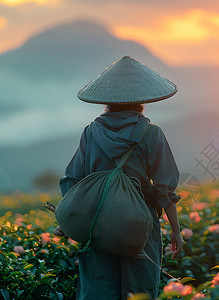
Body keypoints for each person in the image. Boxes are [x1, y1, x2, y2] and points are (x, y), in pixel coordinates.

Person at [57, 56, 184, 299]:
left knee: (98, 290)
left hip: (97, 225)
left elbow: (72, 179)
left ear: (105, 102)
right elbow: (165, 189)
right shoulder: (151, 133)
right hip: (140, 227)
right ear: (141, 101)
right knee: (139, 291)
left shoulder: (91, 133)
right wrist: (176, 231)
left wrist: (69, 219)